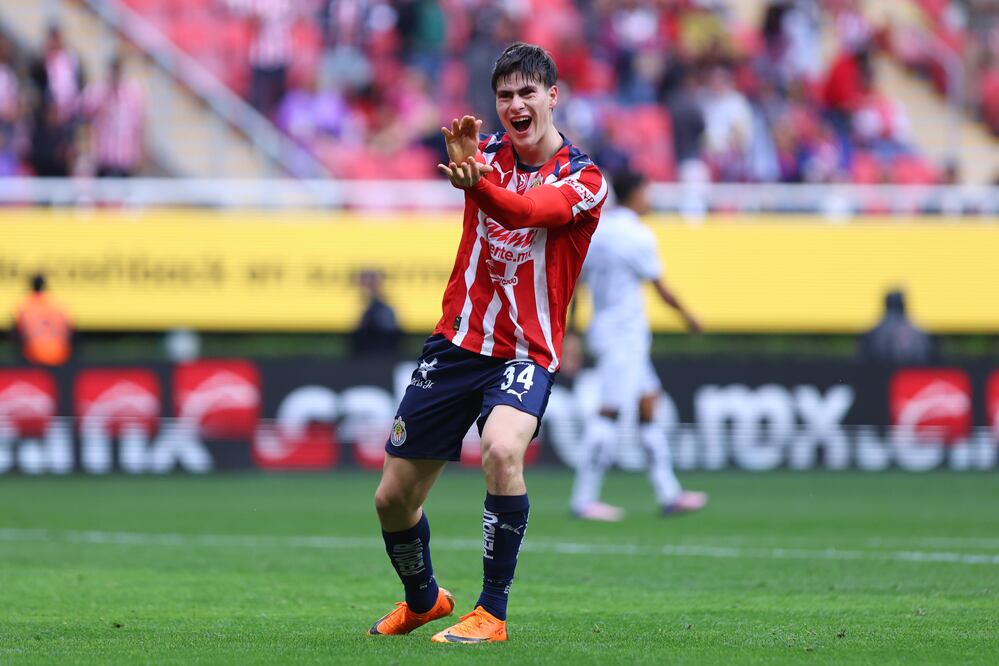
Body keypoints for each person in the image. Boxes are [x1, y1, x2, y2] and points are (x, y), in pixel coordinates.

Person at [367, 43, 606, 644]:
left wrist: (475, 185)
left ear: (553, 96)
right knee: (392, 500)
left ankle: (491, 612)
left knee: (502, 451)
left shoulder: (585, 180)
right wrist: (467, 169)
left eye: (528, 92)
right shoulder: (485, 154)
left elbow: (524, 211)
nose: (516, 104)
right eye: (505, 95)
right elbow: (468, 171)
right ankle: (424, 600)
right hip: (456, 344)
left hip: (526, 351)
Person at [569, 168, 707, 522]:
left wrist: (571, 331)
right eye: (648, 191)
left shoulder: (596, 231)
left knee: (648, 402)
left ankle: (669, 493)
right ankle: (584, 499)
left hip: (610, 330)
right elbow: (661, 287)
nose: (651, 199)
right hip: (623, 336)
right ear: (635, 194)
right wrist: (689, 317)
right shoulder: (637, 235)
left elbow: (576, 286)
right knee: (610, 410)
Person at [857, 289, 936, 365]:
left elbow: (860, 362)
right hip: (916, 373)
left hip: (882, 373)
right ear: (903, 305)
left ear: (886, 304)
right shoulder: (920, 333)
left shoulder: (874, 333)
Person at [11, 273, 73, 367]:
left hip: (33, 355)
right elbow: (70, 331)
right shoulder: (58, 304)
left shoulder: (25, 304)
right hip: (60, 354)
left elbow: (16, 333)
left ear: (32, 286)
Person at [350, 269, 401, 355]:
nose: (364, 287)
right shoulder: (362, 305)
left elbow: (389, 335)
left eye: (369, 284)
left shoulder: (382, 309)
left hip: (378, 354)